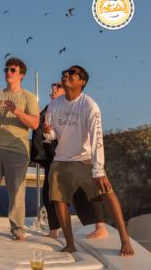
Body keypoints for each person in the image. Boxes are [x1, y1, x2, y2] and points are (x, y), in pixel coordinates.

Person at [42, 66, 134, 257]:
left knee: (107, 192)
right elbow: (53, 136)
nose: (66, 74)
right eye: (64, 72)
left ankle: (125, 239)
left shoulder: (89, 105)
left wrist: (98, 169)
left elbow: (97, 139)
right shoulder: (54, 105)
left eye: (72, 73)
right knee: (59, 200)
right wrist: (46, 131)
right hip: (61, 160)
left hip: (85, 159)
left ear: (82, 82)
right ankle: (70, 244)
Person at [32, 82, 108, 239]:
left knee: (84, 191)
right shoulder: (51, 107)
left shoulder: (74, 107)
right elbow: (47, 132)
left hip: (73, 157)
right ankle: (54, 230)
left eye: (58, 87)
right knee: (49, 193)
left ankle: (100, 226)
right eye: (52, 87)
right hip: (51, 157)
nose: (54, 90)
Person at [0, 57, 40, 241]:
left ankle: (18, 230)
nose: (8, 72)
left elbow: (35, 124)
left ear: (21, 75)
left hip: (17, 150)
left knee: (17, 192)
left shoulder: (28, 97)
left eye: (12, 70)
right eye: (6, 69)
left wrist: (17, 111)